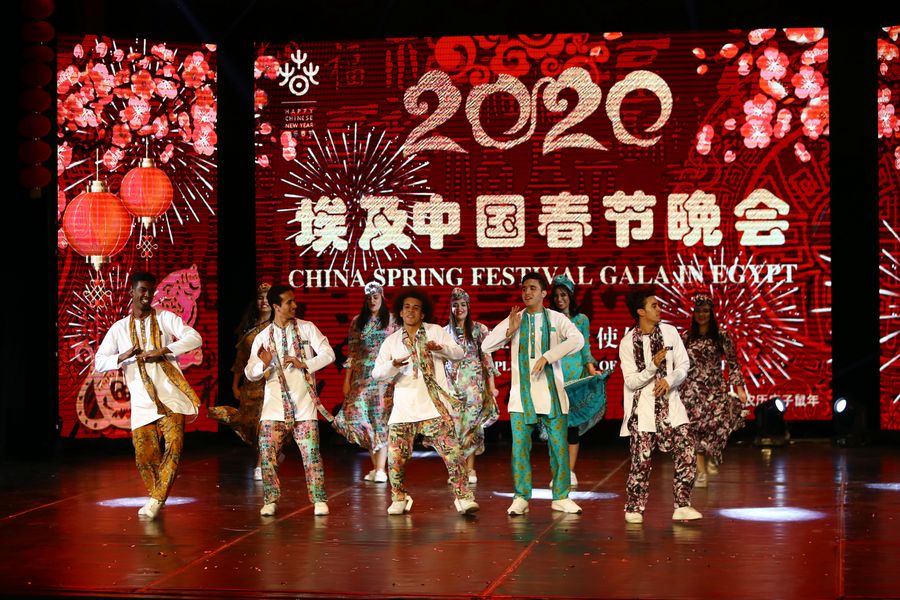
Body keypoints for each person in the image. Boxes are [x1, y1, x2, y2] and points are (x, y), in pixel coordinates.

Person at [95, 272, 202, 520]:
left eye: (150, 291)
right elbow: (100, 361)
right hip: (142, 404)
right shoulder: (119, 328)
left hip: (171, 398)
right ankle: (157, 495)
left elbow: (194, 337)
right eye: (142, 290)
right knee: (144, 457)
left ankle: (156, 499)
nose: (147, 295)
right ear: (131, 292)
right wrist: (122, 356)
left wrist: (164, 350)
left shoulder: (165, 318)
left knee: (174, 446)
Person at [482, 272, 585, 516]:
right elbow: (486, 346)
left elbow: (578, 340)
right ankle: (521, 497)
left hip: (552, 395)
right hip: (521, 398)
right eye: (524, 288)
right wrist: (509, 331)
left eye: (532, 288)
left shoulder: (557, 318)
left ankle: (561, 496)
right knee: (519, 449)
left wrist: (548, 356)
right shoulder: (516, 318)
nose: (527, 292)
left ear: (543, 293)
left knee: (559, 448)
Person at [372, 288, 479, 516]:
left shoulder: (435, 331)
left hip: (434, 407)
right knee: (395, 460)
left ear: (423, 314)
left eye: (416, 308)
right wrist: (393, 365)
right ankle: (399, 497)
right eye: (407, 307)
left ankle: (463, 498)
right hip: (404, 409)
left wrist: (442, 349)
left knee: (453, 455)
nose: (411, 311)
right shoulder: (391, 342)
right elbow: (377, 373)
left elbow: (459, 353)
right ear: (400, 312)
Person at [244, 284, 335, 517]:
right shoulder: (263, 337)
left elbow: (329, 354)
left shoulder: (307, 328)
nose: (294, 305)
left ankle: (319, 500)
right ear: (276, 306)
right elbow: (250, 373)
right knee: (267, 456)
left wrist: (305, 363)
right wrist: (263, 364)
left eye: (294, 301)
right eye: (289, 302)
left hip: (304, 407)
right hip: (274, 408)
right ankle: (270, 499)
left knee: (311, 456)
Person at [618, 288, 701, 524]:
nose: (659, 309)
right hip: (642, 410)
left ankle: (682, 505)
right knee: (641, 462)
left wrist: (669, 379)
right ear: (641, 311)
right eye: (654, 305)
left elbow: (684, 364)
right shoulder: (627, 342)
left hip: (671, 407)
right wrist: (653, 367)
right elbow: (631, 381)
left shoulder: (670, 332)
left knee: (687, 450)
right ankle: (634, 508)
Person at [332, 282, 399, 483]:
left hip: (384, 378)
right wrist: (347, 380)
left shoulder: (393, 321)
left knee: (380, 421)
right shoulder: (357, 321)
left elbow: (399, 349)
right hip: (361, 378)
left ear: (382, 297)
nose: (372, 301)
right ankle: (377, 468)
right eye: (369, 298)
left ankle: (380, 469)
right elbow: (352, 352)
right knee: (360, 419)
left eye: (375, 297)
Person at [680, 293, 748, 487]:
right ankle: (701, 472)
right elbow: (678, 365)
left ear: (711, 313)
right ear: (693, 314)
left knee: (718, 426)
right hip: (691, 392)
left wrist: (739, 388)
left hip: (715, 389)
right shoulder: (686, 337)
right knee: (694, 432)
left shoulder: (721, 336)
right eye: (698, 311)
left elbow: (733, 363)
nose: (701, 315)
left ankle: (714, 455)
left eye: (705, 311)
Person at [208, 282, 271, 480]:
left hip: (271, 383)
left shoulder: (279, 327)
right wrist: (235, 385)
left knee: (264, 423)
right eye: (260, 298)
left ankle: (262, 464)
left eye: (267, 298)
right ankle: (268, 456)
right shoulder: (249, 328)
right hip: (250, 384)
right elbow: (241, 360)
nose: (264, 302)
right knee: (249, 424)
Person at [548, 275, 607, 488]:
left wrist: (591, 369)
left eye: (563, 295)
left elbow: (585, 348)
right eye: (556, 296)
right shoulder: (549, 319)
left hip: (575, 379)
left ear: (571, 296)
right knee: (556, 428)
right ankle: (559, 471)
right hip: (555, 377)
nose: (560, 299)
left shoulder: (581, 320)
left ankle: (570, 471)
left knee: (572, 428)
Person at [444, 287, 500, 485]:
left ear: (468, 306)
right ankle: (457, 471)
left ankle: (470, 469)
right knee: (454, 430)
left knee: (471, 429)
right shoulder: (444, 332)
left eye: (462, 304)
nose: (459, 308)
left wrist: (491, 386)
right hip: (452, 388)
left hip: (474, 389)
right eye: (455, 305)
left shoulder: (479, 330)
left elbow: (487, 359)